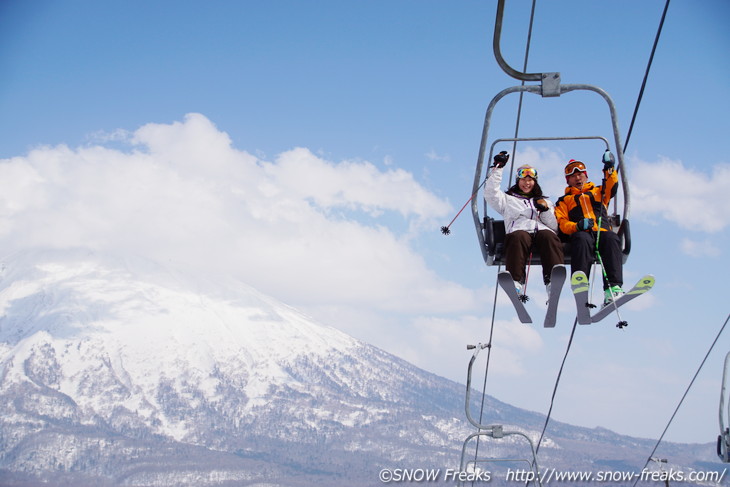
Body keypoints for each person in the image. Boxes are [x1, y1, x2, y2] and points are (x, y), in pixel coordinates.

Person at [484, 151, 564, 296]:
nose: (527, 183)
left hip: (541, 231)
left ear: (535, 182)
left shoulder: (545, 201)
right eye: (523, 180)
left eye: (530, 180)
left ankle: (552, 281)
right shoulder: (507, 200)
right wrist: (498, 168)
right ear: (518, 181)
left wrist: (544, 210)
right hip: (520, 230)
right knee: (518, 237)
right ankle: (516, 281)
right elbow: (490, 193)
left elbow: (554, 227)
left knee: (549, 236)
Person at [554, 152, 623, 306]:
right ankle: (581, 283)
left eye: (580, 175)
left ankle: (613, 288)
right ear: (568, 180)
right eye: (573, 176)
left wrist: (609, 168)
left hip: (602, 232)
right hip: (581, 234)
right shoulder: (564, 201)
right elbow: (563, 223)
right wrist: (577, 226)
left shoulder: (599, 192)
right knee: (582, 239)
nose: (577, 178)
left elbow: (612, 186)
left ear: (586, 176)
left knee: (611, 238)